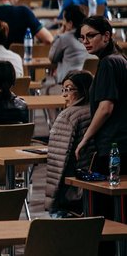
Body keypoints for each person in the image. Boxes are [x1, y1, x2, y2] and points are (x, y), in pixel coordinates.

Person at [75, 16, 127, 169]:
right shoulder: (120, 58)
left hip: (112, 144)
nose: (85, 41)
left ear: (106, 36)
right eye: (82, 37)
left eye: (90, 36)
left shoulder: (108, 63)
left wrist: (85, 138)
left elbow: (105, 108)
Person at [45, 71, 95, 216]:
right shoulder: (97, 113)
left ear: (83, 90)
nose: (64, 95)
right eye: (64, 89)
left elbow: (58, 162)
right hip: (91, 187)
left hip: (70, 190)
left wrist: (52, 200)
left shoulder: (67, 116)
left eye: (69, 89)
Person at [49, 5, 90, 85]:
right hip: (87, 83)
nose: (63, 23)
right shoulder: (89, 37)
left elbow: (52, 57)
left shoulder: (64, 38)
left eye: (64, 20)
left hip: (67, 84)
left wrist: (59, 34)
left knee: (45, 85)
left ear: (70, 23)